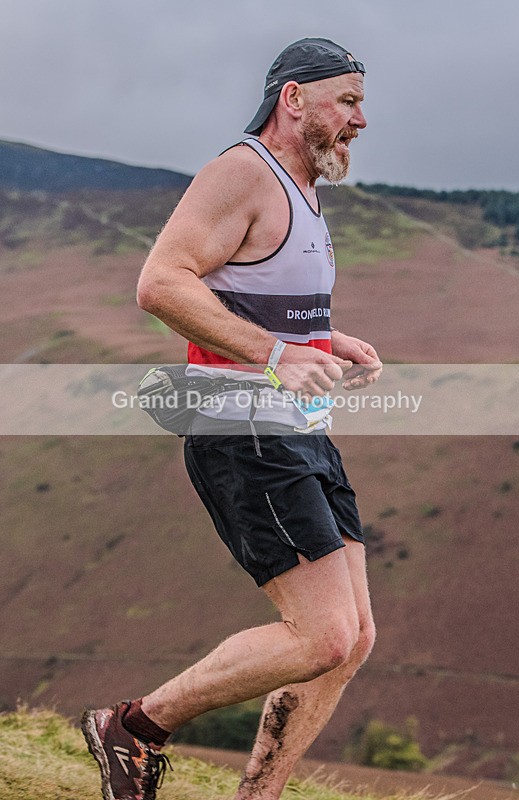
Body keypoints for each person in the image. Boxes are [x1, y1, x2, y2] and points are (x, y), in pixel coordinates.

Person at [82, 37, 383, 800]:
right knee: (323, 635)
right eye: (348, 101)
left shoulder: (301, 187)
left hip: (300, 429)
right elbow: (161, 284)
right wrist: (277, 355)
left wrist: (325, 343)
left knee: (353, 639)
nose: (361, 119)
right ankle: (132, 727)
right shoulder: (243, 172)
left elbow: (252, 294)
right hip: (242, 429)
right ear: (293, 99)